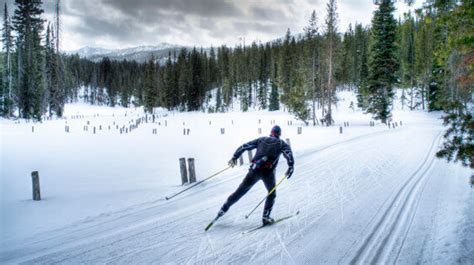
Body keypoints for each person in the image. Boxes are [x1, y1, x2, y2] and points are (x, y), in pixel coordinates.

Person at [216, 125, 294, 225]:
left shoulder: (261, 139)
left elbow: (244, 146)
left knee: (240, 192)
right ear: (279, 134)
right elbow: (289, 154)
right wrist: (291, 166)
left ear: (271, 133)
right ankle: (266, 217)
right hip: (268, 173)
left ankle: (223, 209)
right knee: (271, 193)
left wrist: (235, 157)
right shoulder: (281, 143)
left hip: (254, 170)